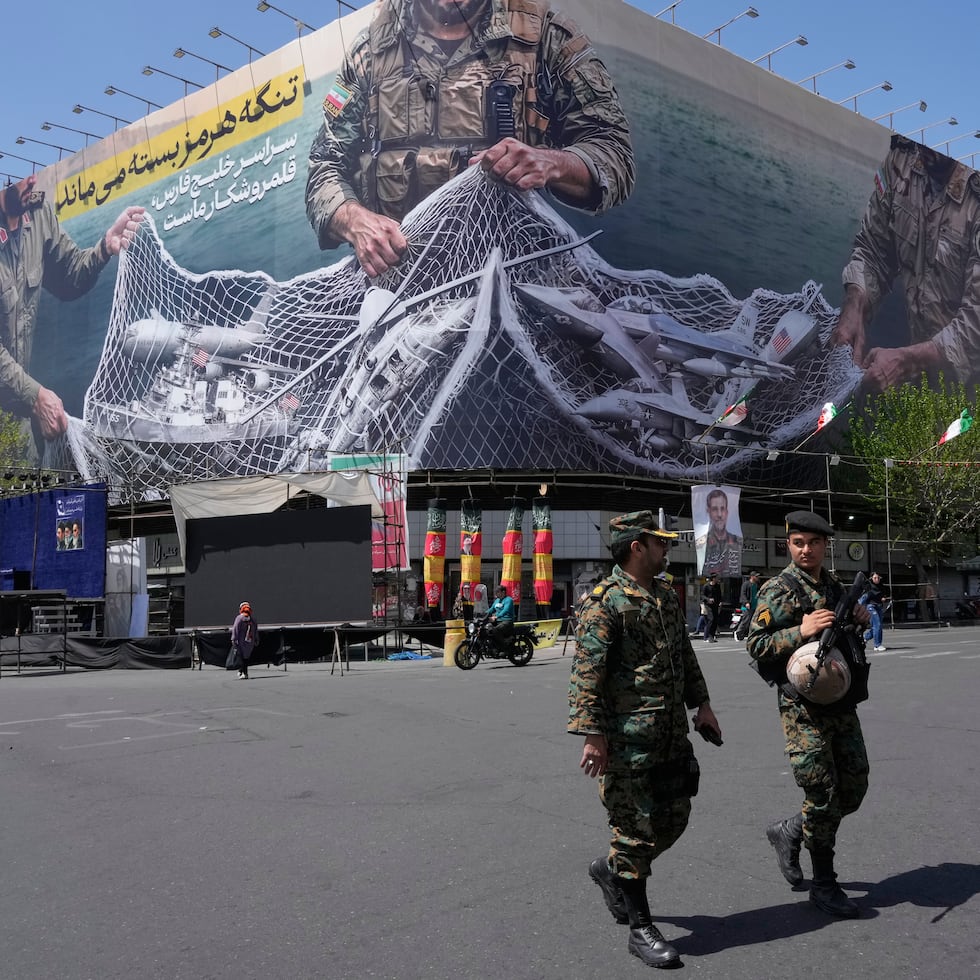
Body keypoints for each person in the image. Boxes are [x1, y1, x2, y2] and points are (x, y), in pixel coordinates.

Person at [306, 0, 635, 277]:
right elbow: (324, 165)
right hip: (398, 285)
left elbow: (613, 151)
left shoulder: (547, 39)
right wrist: (353, 220)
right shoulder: (369, 53)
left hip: (517, 274)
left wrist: (552, 163)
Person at [569, 510, 721, 969]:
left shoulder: (665, 597)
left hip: (671, 733)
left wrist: (703, 705)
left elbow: (684, 653)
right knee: (634, 832)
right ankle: (641, 928)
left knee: (674, 817)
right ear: (636, 546)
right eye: (658, 542)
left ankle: (612, 870)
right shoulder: (604, 602)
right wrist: (593, 734)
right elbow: (586, 673)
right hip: (627, 740)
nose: (666, 548)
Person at [746, 511, 872, 918]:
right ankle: (824, 885)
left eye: (814, 543)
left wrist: (858, 621)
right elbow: (756, 645)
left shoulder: (836, 586)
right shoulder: (776, 590)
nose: (806, 550)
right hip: (802, 710)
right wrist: (799, 632)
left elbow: (845, 642)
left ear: (824, 546)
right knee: (821, 793)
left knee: (853, 787)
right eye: (798, 542)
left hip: (840, 700)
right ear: (788, 544)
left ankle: (790, 831)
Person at [0, 174, 145, 455]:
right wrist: (35, 396)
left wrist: (104, 248)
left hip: (16, 419)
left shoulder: (38, 214)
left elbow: (69, 276)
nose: (33, 179)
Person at [830, 134, 980, 392]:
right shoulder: (904, 156)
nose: (926, 147)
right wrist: (855, 305)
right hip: (927, 381)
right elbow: (873, 250)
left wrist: (907, 361)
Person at [697, 488, 742, 577]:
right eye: (714, 509)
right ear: (708, 511)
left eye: (722, 509)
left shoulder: (737, 542)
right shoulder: (701, 543)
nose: (720, 514)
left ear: (727, 512)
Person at [230, 601, 260, 680]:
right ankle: (242, 671)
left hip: (241, 641)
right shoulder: (253, 619)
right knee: (246, 657)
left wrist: (233, 639)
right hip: (250, 641)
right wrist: (256, 639)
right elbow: (255, 630)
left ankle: (244, 673)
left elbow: (235, 629)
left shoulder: (239, 618)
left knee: (242, 657)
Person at [860, 571, 888, 652]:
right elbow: (867, 594)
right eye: (875, 577)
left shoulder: (881, 586)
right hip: (870, 606)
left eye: (878, 577)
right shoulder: (868, 585)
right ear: (871, 578)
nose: (877, 579)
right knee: (877, 625)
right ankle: (877, 645)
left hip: (879, 606)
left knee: (876, 626)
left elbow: (884, 594)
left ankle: (865, 637)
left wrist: (884, 598)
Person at [700, 573, 721, 643]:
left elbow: (719, 595)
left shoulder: (717, 586)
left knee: (715, 620)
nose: (717, 579)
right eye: (716, 578)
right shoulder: (706, 586)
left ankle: (712, 636)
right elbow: (702, 595)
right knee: (710, 619)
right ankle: (708, 635)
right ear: (713, 578)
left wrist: (720, 602)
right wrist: (708, 600)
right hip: (708, 605)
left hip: (715, 605)